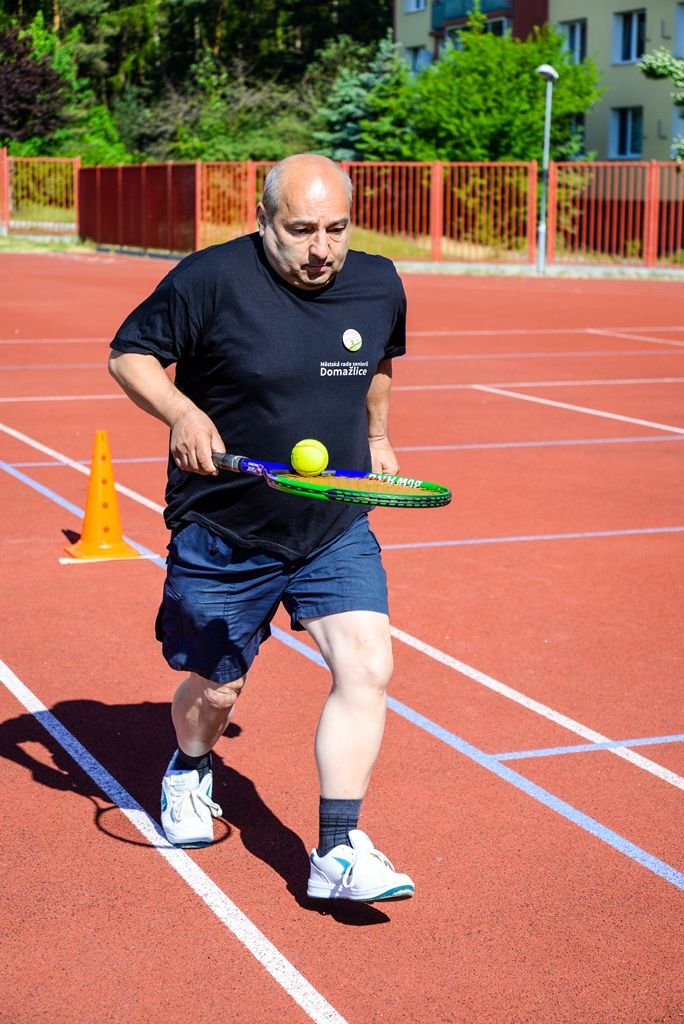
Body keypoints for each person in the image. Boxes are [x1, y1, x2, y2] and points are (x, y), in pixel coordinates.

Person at [108, 153, 414, 903]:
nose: (321, 250)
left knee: (368, 665)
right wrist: (181, 411)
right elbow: (129, 355)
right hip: (224, 524)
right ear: (263, 221)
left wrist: (376, 436)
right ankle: (188, 767)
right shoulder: (210, 279)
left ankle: (338, 850)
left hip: (331, 520)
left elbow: (379, 362)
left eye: (336, 230)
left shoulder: (378, 282)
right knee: (218, 688)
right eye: (301, 230)